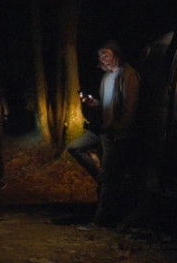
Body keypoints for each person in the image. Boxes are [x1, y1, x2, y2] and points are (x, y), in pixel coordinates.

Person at [58, 40, 141, 227]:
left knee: (109, 179)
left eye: (106, 54)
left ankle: (99, 220)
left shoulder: (128, 75)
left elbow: (130, 108)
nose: (102, 58)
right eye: (100, 55)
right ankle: (101, 174)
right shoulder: (106, 77)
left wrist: (118, 129)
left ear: (116, 55)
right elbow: (106, 105)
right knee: (74, 147)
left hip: (116, 133)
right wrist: (93, 103)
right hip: (102, 129)